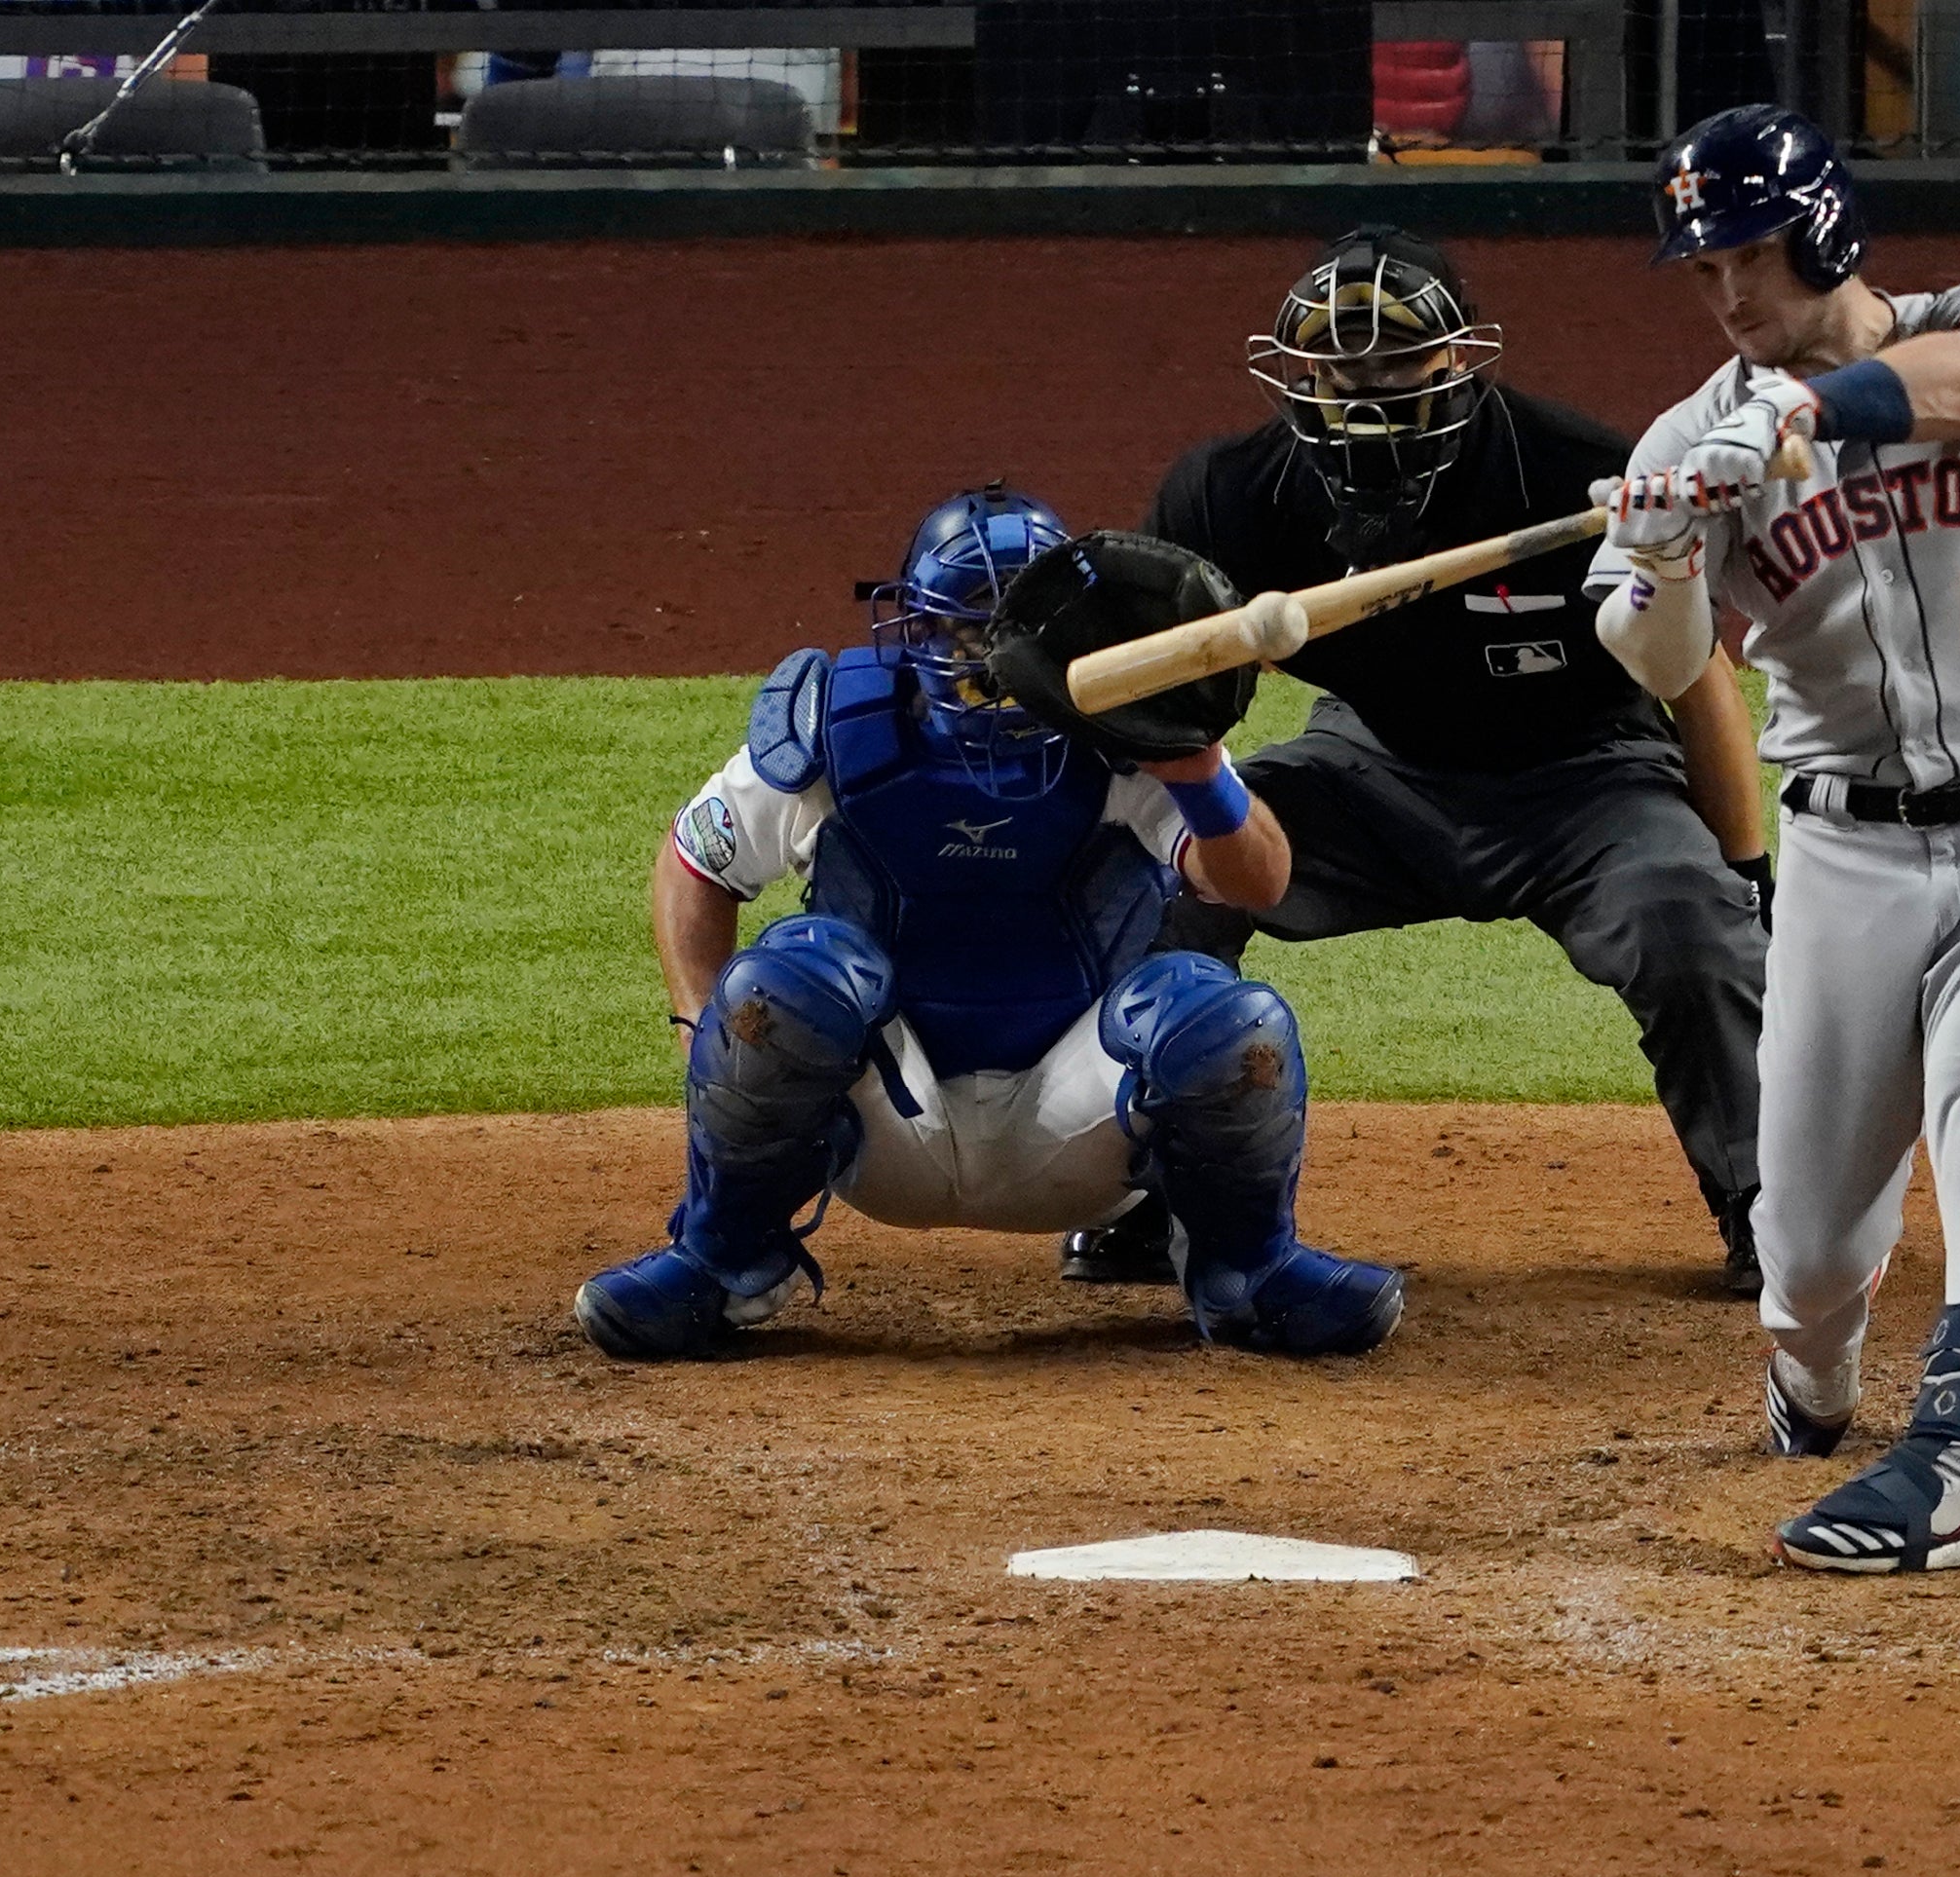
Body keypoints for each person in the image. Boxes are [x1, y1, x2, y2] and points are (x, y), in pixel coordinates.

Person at [1591, 106, 1960, 1573]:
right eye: (1702, 272)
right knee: (1807, 1255)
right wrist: (1666, 547)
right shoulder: (1689, 439)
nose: (1729, 297)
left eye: (1748, 254)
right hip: (1848, 860)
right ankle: (1811, 1379)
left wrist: (1809, 414)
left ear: (1819, 228)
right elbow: (1656, 658)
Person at [573, 484, 1402, 1364]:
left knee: (1223, 1019)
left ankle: (1249, 1277)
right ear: (915, 627)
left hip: (1077, 1126)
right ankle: (723, 1262)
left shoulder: (1130, 726)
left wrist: (1194, 767)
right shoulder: (835, 727)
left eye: (1005, 624)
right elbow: (697, 861)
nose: (982, 650)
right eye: (961, 621)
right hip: (888, 1120)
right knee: (790, 979)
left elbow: (1258, 880)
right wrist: (704, 1029)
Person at [1134, 226, 1776, 1296]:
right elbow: (1166, 694)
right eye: (1338, 372)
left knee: (1686, 913)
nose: (1366, 394)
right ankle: (1140, 1190)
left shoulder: (1578, 476)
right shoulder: (1232, 494)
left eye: (1395, 366)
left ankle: (1769, 1207)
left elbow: (1696, 676)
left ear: (1459, 363)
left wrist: (1747, 875)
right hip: (1371, 772)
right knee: (1159, 883)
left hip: (1589, 779)